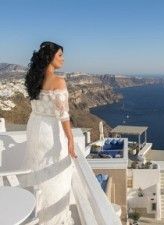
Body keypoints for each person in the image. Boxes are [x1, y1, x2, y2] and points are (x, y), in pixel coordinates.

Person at [22, 41, 77, 224]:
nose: (63, 59)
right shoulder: (58, 81)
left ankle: (41, 214)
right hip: (51, 131)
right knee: (57, 173)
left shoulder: (34, 79)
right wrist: (70, 138)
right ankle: (55, 218)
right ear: (50, 57)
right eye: (60, 55)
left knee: (41, 171)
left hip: (35, 126)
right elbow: (63, 114)